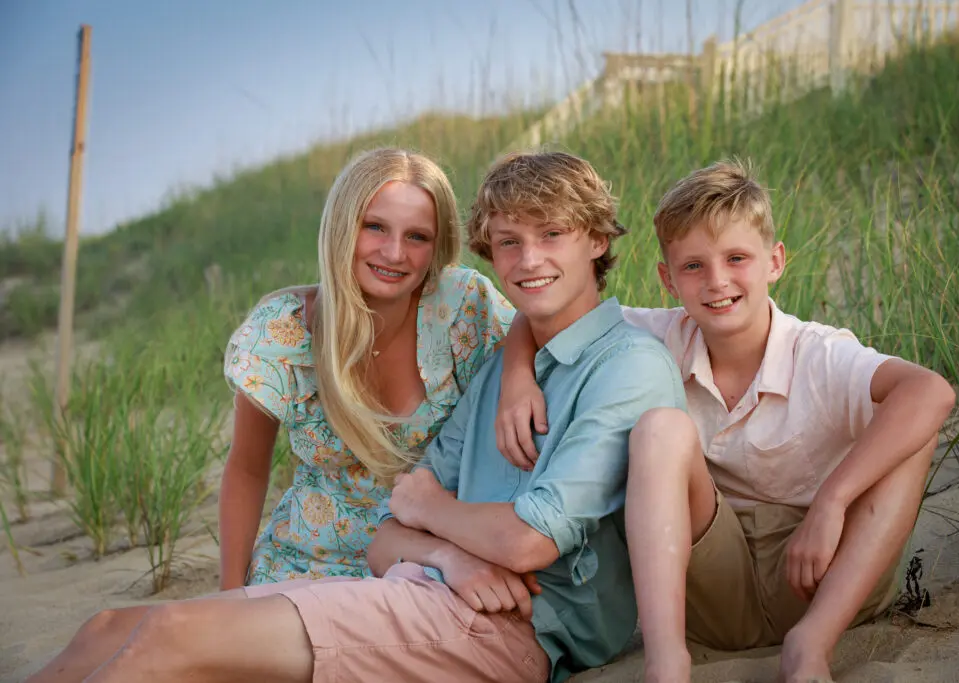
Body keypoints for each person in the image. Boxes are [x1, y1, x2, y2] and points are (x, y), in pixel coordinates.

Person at [28, 150, 685, 683]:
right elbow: (372, 522)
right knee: (110, 627)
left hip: (496, 616)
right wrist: (439, 538)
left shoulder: (600, 358)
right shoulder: (491, 363)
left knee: (166, 643)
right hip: (399, 573)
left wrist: (431, 509)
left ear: (597, 239)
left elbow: (524, 542)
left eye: (551, 235)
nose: (527, 259)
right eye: (508, 242)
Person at [497, 159, 956, 683]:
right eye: (693, 266)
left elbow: (931, 391)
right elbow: (547, 311)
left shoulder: (817, 353)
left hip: (824, 576)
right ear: (668, 279)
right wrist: (518, 377)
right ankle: (667, 664)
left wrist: (833, 500)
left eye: (737, 258)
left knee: (912, 430)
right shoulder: (656, 338)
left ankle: (811, 648)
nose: (717, 282)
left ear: (775, 262)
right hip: (715, 583)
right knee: (659, 429)